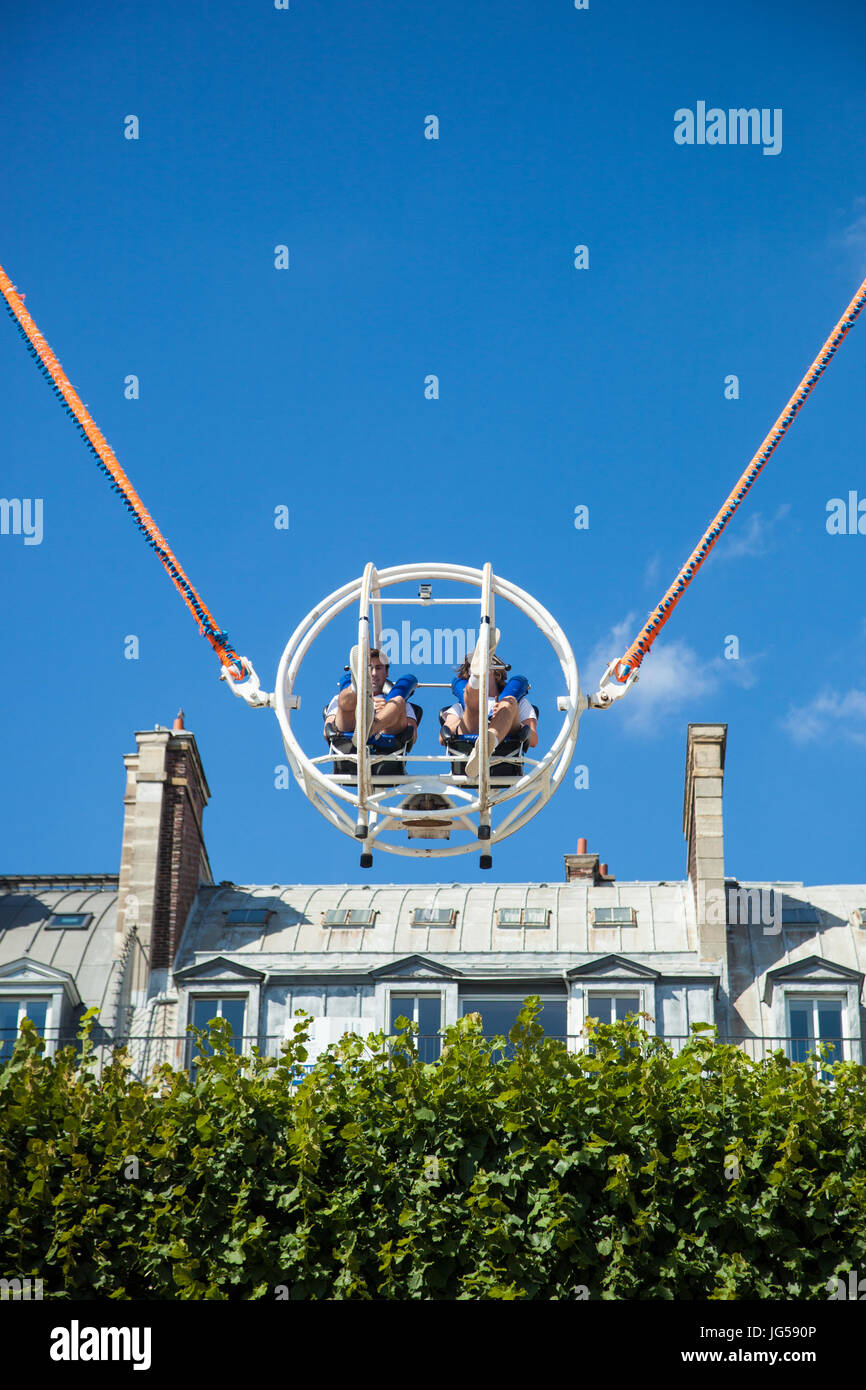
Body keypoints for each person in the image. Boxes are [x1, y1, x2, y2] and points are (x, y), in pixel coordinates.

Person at [439, 627, 537, 778]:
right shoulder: (458, 707)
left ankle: (490, 740)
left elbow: (533, 739)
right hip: (470, 738)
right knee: (473, 706)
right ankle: (476, 683)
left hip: (506, 746)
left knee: (509, 702)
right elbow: (443, 736)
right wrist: (461, 720)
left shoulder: (521, 703)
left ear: (497, 672)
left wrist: (504, 715)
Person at [324, 646, 419, 749]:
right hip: (348, 736)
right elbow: (327, 732)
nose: (373, 673)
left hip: (386, 742)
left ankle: (368, 729)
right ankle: (355, 690)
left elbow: (412, 736)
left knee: (398, 701)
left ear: (386, 672)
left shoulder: (400, 702)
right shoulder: (338, 698)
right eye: (369, 668)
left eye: (378, 668)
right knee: (344, 699)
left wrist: (386, 712)